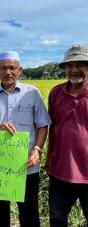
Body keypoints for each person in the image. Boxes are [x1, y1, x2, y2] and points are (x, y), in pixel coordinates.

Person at [0, 51, 51, 227]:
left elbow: (42, 124)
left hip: (26, 165)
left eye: (12, 68)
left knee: (29, 213)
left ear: (20, 70)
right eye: (3, 68)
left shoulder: (32, 93)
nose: (8, 72)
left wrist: (37, 150)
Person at [46, 44, 88, 226]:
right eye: (69, 65)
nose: (74, 69)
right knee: (57, 218)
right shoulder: (56, 93)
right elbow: (51, 127)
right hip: (60, 169)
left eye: (80, 64)